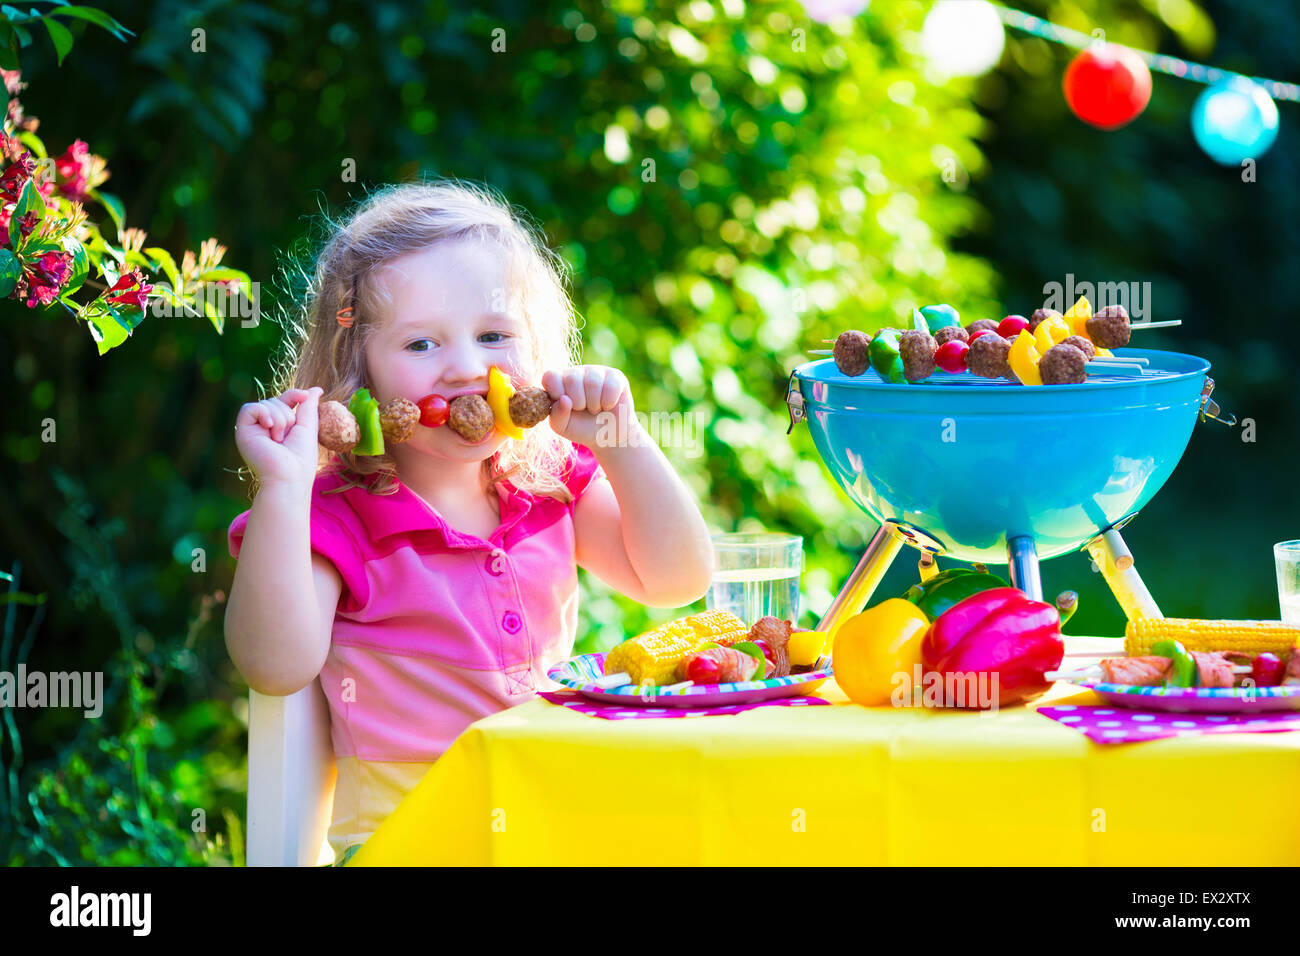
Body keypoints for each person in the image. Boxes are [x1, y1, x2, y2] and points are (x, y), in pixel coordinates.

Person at [224, 180, 713, 863]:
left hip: (549, 830)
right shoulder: (337, 518)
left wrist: (622, 440)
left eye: (493, 335)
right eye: (421, 345)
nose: (464, 369)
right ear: (358, 370)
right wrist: (282, 488)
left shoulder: (549, 481)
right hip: (411, 843)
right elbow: (274, 666)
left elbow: (677, 580)